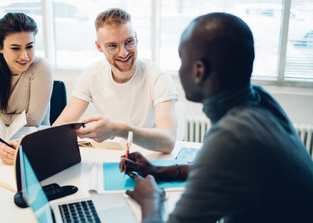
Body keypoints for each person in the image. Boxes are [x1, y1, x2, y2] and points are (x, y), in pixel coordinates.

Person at [120, 12, 313, 222]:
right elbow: (225, 167)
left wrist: (151, 201)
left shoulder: (231, 137)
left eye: (181, 59)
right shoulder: (260, 99)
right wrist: (159, 170)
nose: (179, 68)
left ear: (199, 70)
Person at [53, 8, 178, 153]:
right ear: (99, 47)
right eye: (112, 46)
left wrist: (119, 129)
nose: (123, 53)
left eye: (129, 42)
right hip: (108, 154)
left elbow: (168, 142)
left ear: (136, 38)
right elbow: (62, 123)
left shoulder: (158, 77)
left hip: (145, 155)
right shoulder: (91, 75)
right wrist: (30, 143)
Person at [0, 13, 53, 165]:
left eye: (30, 46)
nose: (24, 56)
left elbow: (32, 120)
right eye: (15, 48)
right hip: (4, 142)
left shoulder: (41, 67)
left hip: (36, 143)